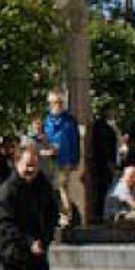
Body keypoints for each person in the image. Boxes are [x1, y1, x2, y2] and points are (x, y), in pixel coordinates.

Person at [43, 90, 81, 227]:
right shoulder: (46, 120)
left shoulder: (69, 121)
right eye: (54, 102)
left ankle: (66, 217)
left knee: (62, 187)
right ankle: (52, 216)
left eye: (59, 102)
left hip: (64, 160)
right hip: (46, 160)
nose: (57, 105)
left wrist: (75, 160)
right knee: (48, 188)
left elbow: (75, 141)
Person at [91, 107, 119, 222]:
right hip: (104, 162)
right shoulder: (101, 127)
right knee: (103, 188)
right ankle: (100, 213)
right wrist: (110, 162)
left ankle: (103, 212)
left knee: (106, 188)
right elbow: (104, 147)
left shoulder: (110, 126)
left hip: (108, 161)